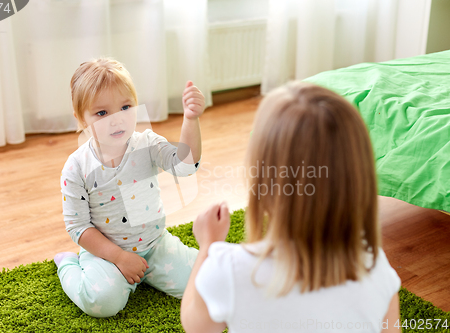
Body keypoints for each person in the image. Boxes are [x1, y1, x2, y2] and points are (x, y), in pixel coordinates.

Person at [181, 82, 401, 333]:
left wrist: (207, 247)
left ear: (263, 181)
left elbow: (195, 325)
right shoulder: (375, 267)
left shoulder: (230, 269)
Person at [55, 57, 205, 317]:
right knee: (101, 303)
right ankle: (67, 264)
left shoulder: (147, 143)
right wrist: (119, 258)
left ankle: (148, 271)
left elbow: (185, 166)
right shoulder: (76, 167)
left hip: (155, 245)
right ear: (81, 119)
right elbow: (78, 226)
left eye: (125, 107)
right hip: (106, 254)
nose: (117, 120)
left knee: (203, 282)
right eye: (102, 113)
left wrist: (190, 119)